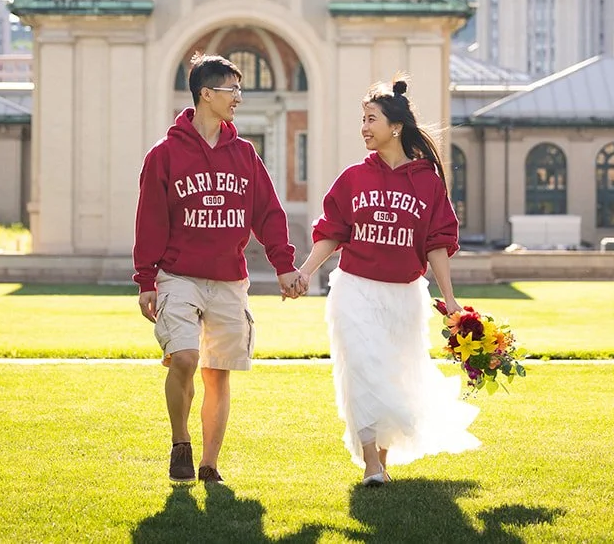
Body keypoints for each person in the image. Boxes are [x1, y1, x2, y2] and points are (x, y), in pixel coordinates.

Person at [294, 75, 479, 486]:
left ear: (395, 126)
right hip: (354, 289)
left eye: (370, 119)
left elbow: (437, 244)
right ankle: (371, 467)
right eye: (362, 119)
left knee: (392, 375)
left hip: (404, 295)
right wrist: (306, 271)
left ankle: (380, 458)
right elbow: (332, 232)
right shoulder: (353, 178)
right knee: (361, 369)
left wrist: (450, 300)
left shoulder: (427, 183)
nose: (363, 127)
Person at [133, 53, 306, 485]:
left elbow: (268, 213)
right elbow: (151, 219)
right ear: (205, 94)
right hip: (178, 275)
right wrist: (146, 279)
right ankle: (180, 444)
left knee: (217, 372)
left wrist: (283, 265)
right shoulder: (165, 155)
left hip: (229, 278)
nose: (239, 99)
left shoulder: (244, 154)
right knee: (186, 358)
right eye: (232, 90)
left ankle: (209, 464)